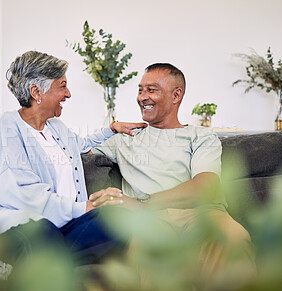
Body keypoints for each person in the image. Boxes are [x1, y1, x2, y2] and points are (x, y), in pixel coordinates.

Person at [0, 51, 146, 266]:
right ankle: (49, 263)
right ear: (36, 92)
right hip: (21, 222)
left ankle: (53, 264)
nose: (68, 94)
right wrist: (83, 207)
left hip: (66, 223)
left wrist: (112, 128)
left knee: (119, 220)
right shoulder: (7, 126)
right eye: (62, 86)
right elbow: (20, 193)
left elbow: (81, 144)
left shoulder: (56, 128)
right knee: (44, 232)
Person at [90, 63, 256, 286]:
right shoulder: (125, 137)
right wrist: (110, 128)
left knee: (234, 239)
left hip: (203, 214)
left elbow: (204, 187)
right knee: (150, 248)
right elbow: (70, 153)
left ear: (176, 94)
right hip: (152, 220)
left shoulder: (200, 136)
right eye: (140, 90)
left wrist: (142, 203)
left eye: (151, 90)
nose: (142, 97)